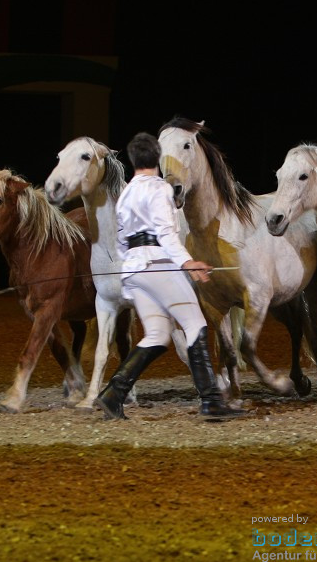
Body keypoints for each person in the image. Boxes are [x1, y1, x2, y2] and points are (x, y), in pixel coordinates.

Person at [94, 132, 245, 420]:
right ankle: (211, 401)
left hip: (135, 271)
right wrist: (187, 262)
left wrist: (129, 275)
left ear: (134, 160)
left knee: (158, 335)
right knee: (196, 325)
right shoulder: (160, 189)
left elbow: (121, 240)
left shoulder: (125, 194)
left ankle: (113, 394)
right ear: (158, 158)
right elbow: (165, 233)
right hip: (159, 265)